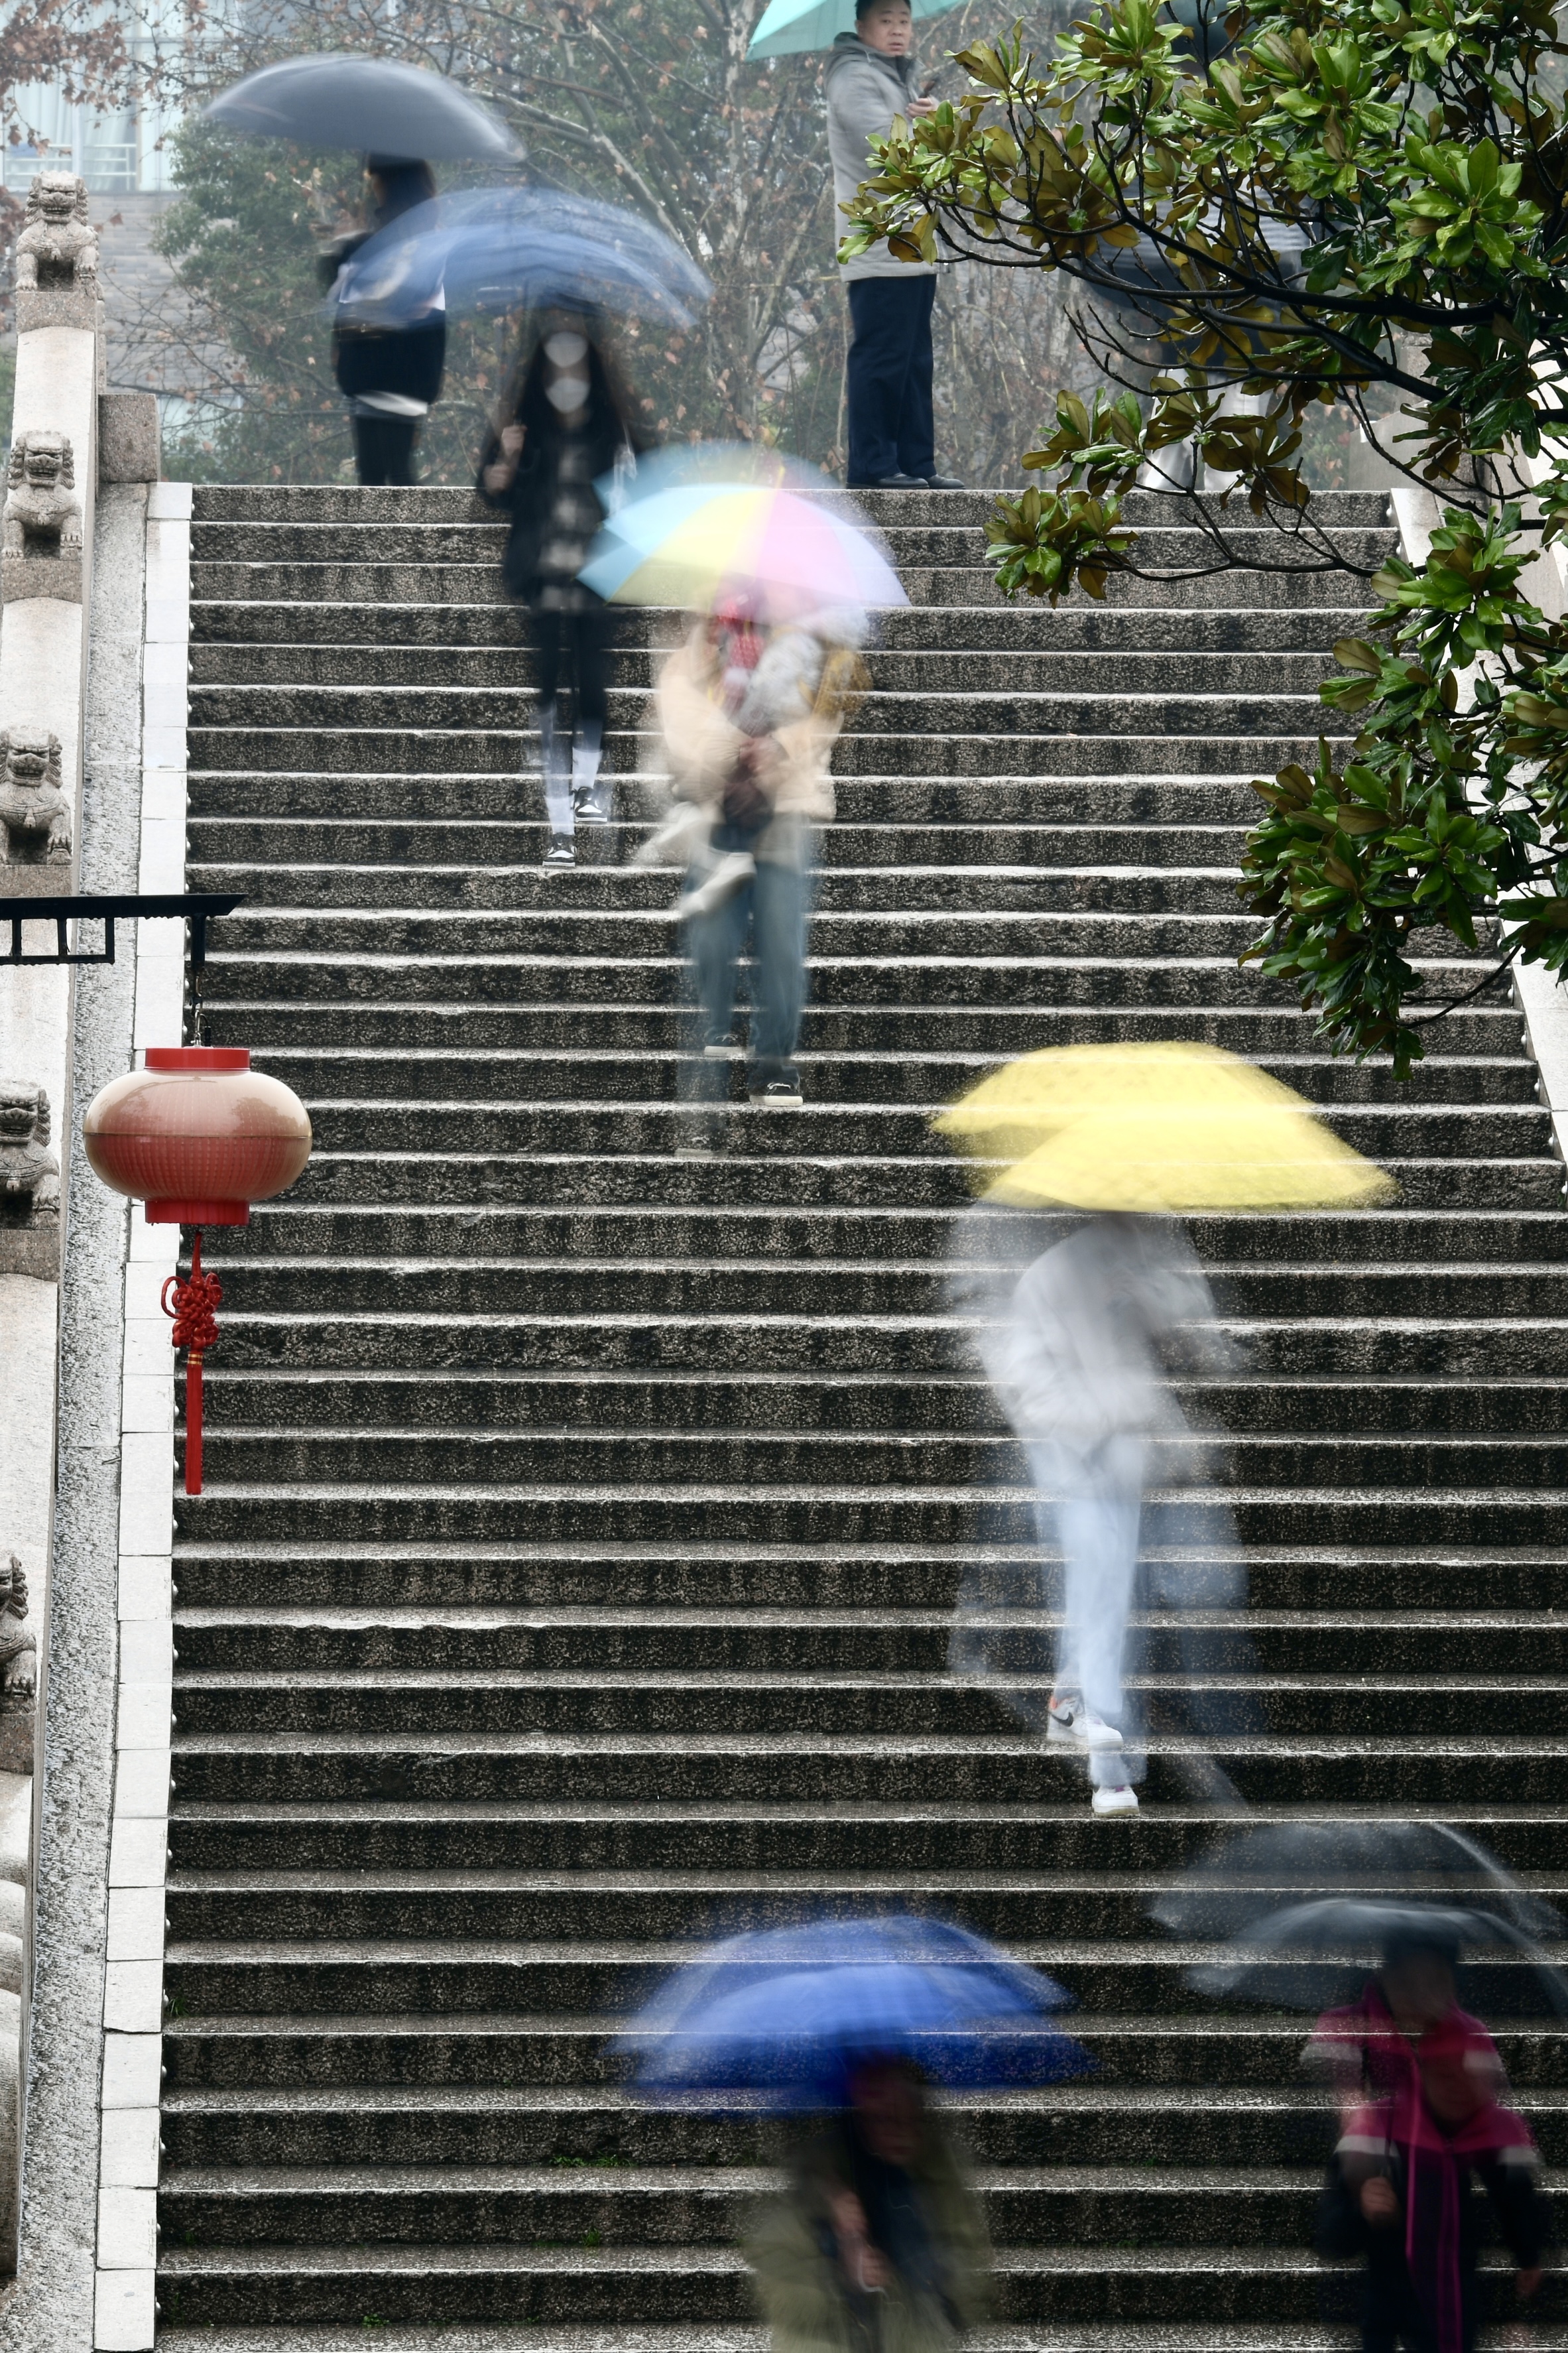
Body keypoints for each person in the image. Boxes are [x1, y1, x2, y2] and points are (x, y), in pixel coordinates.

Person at [971, 1209, 1250, 1816]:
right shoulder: (1053, 1273)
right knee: (1101, 1619)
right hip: (1086, 1470)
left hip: (1152, 1461)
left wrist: (1150, 1303)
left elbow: (1196, 1332)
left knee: (1122, 1611)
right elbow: (1026, 1380)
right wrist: (1099, 1417)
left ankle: (1086, 1724)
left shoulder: (1153, 1250)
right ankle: (1112, 1773)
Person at [654, 599, 864, 1121]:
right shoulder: (704, 637)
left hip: (784, 806)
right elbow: (675, 707)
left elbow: (827, 711)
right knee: (711, 936)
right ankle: (713, 1027)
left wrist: (775, 750)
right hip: (717, 803)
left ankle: (774, 1058)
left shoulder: (817, 634)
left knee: (780, 943)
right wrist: (732, 749)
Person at [1307, 1933, 1549, 2353]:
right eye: (1411, 1982)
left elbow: (1501, 2149)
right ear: (1387, 1978)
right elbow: (1345, 2114)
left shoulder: (1467, 2037)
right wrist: (1363, 2181)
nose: (1425, 1995)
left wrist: (1526, 2248)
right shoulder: (1352, 2026)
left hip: (1446, 2213)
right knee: (1379, 2311)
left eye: (1438, 1982)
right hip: (1384, 2192)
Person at [477, 314, 642, 866]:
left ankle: (586, 787)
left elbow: (641, 485)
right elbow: (494, 494)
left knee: (593, 691)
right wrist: (507, 460)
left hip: (596, 580)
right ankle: (559, 831)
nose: (567, 378)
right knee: (548, 704)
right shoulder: (523, 425)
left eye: (576, 366)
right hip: (544, 579)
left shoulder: (612, 425)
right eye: (558, 368)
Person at [747, 2058, 992, 2350]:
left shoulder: (939, 2173)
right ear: (860, 2116)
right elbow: (783, 2297)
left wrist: (932, 2272)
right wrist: (843, 2272)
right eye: (884, 2118)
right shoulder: (817, 2181)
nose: (899, 2130)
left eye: (909, 2116)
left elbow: (972, 2274)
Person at [825, 0, 963, 492]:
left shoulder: (892, 77)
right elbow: (887, 150)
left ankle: (916, 464)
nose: (898, 30)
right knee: (882, 359)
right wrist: (930, 127)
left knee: (913, 363)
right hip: (878, 245)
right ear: (861, 27)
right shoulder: (852, 78)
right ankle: (873, 469)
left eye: (904, 20)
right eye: (885, 21)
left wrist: (928, 114)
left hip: (910, 244)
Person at [322, 159, 446, 487]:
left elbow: (390, 293)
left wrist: (347, 251)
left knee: (390, 470)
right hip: (382, 369)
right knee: (377, 471)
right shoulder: (400, 235)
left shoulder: (411, 241)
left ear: (391, 184)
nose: (371, 186)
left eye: (376, 179)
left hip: (394, 369)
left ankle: (409, 538)